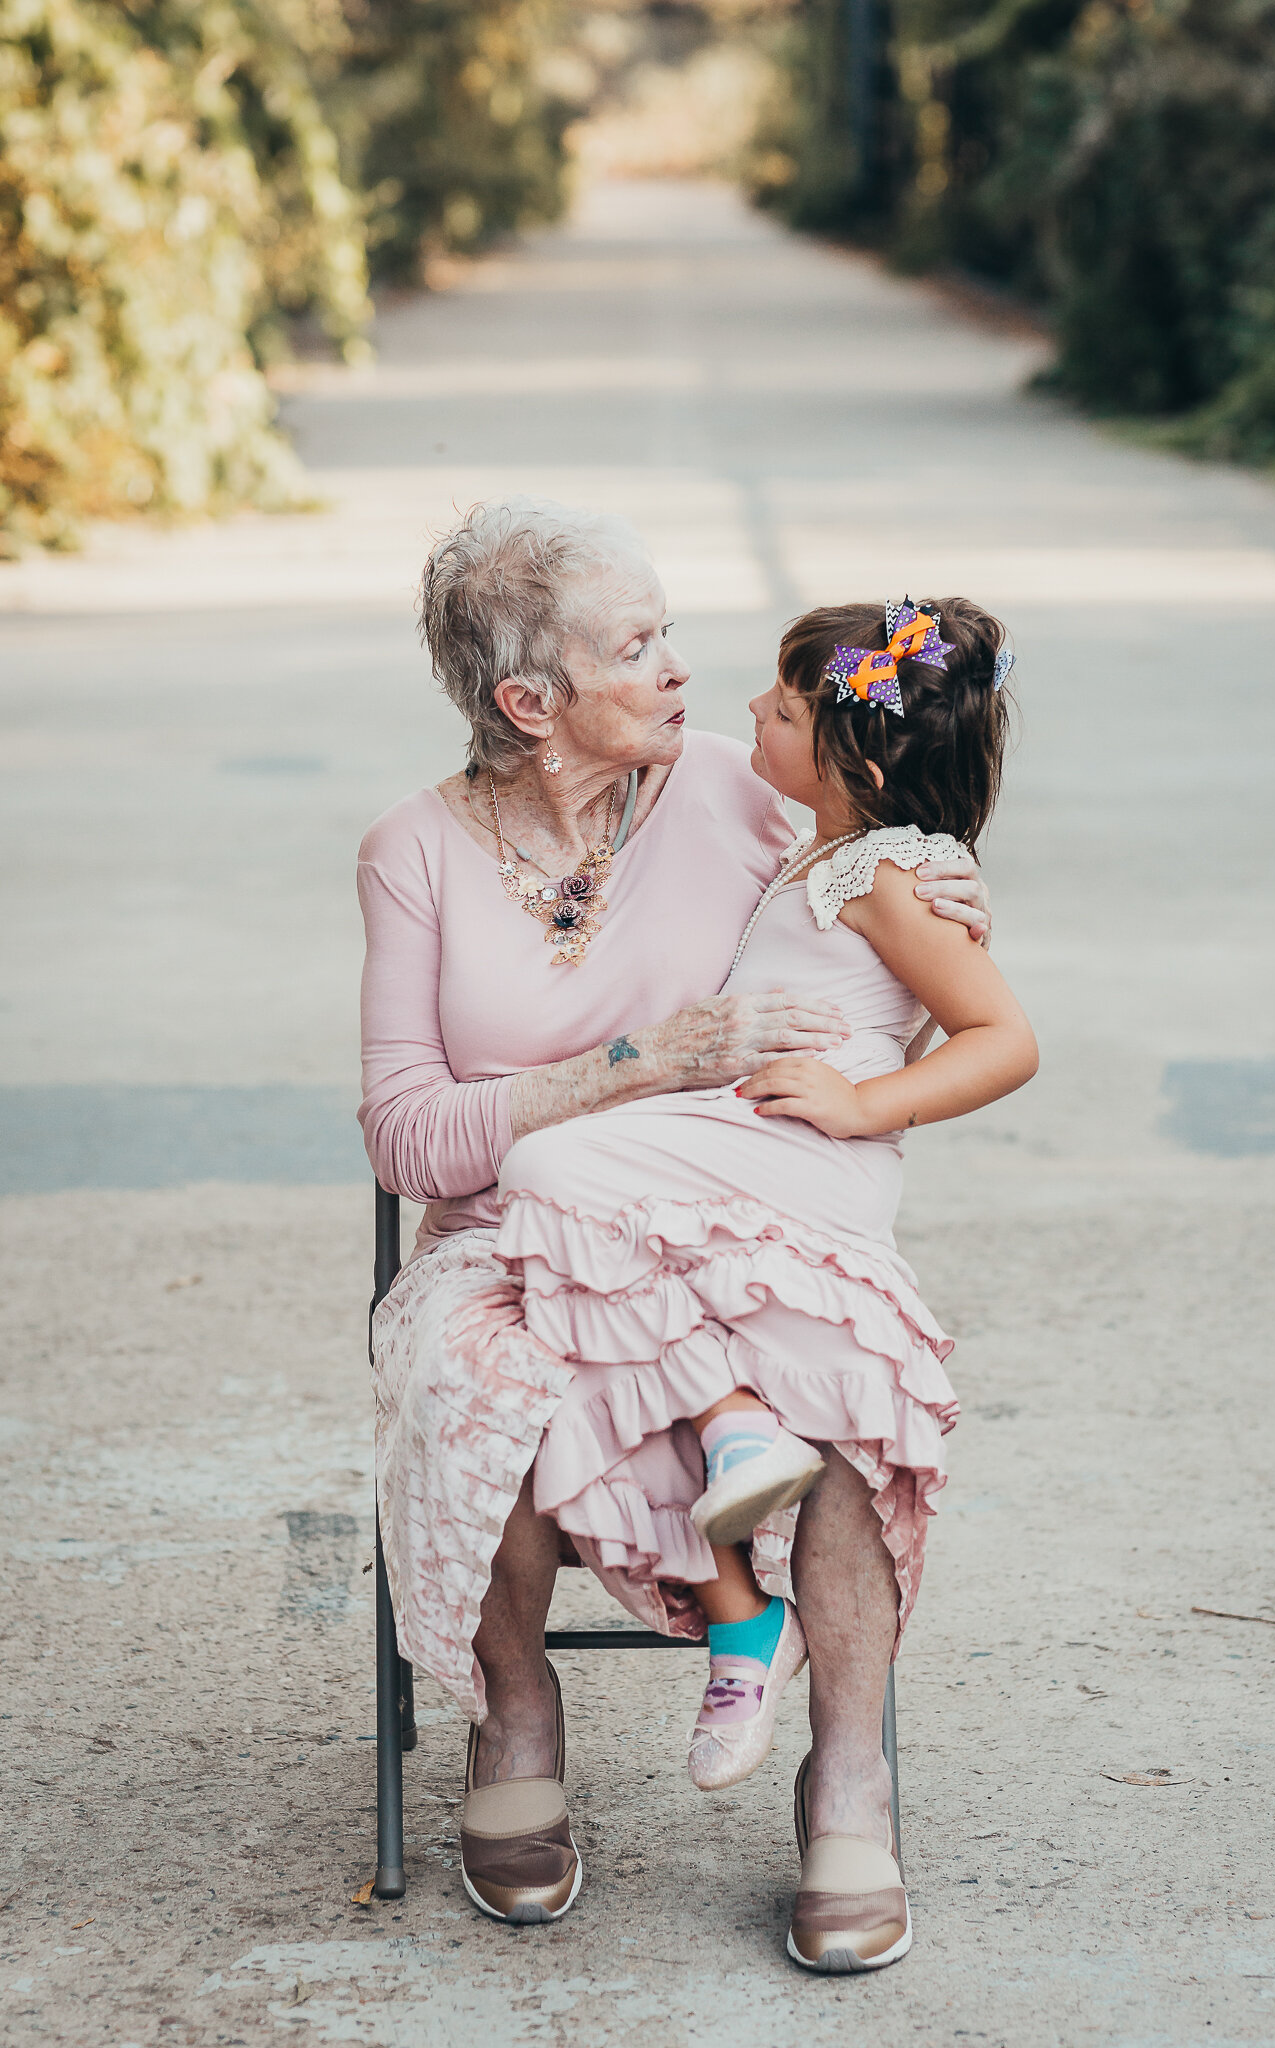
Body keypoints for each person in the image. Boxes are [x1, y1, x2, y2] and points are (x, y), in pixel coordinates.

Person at [358, 499, 993, 1959]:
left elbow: (881, 841)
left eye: (668, 636)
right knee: (488, 1382)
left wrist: (951, 882)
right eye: (635, 647)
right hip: (506, 1231)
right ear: (530, 701)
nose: (677, 671)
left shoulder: (731, 783)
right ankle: (517, 1713)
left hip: (731, 1205)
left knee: (838, 1379)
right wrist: (628, 1066)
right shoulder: (412, 854)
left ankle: (847, 1772)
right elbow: (402, 1135)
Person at [495, 593, 1037, 1970]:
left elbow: (1001, 1038)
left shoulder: (879, 874)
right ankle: (744, 1602)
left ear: (850, 754)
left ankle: (739, 1438)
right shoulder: (818, 850)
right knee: (567, 1184)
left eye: (782, 707)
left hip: (804, 1153)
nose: (747, 713)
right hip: (749, 1146)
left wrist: (869, 1105)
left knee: (553, 1177)